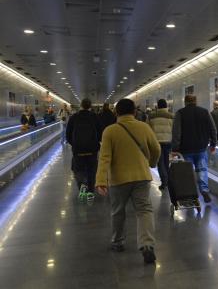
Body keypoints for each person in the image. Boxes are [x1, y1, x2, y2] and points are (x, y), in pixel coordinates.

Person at [95, 98, 160, 264]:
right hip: (142, 176)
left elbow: (104, 158)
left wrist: (101, 180)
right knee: (144, 210)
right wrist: (151, 163)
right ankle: (147, 245)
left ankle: (118, 242)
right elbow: (156, 149)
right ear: (135, 112)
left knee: (118, 211)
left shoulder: (109, 131)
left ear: (116, 113)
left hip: (119, 179)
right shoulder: (144, 127)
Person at [171, 95, 217, 203]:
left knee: (187, 172)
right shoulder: (204, 112)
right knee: (202, 170)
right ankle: (204, 190)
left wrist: (175, 148)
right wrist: (213, 143)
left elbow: (176, 132)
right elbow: (213, 128)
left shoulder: (180, 113)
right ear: (196, 101)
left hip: (185, 149)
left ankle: (190, 195)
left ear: (185, 102)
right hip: (201, 148)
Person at [66, 98, 102, 202]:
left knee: (78, 170)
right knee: (92, 170)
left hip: (78, 150)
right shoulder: (94, 117)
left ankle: (82, 185)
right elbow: (100, 132)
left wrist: (75, 144)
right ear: (90, 106)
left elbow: (68, 134)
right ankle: (91, 191)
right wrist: (96, 142)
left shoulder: (74, 117)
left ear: (81, 105)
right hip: (92, 150)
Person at [148, 99, 174, 190]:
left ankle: (164, 182)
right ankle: (168, 180)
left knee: (160, 163)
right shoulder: (171, 116)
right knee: (167, 162)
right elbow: (174, 130)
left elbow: (148, 130)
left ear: (157, 106)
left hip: (156, 142)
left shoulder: (151, 116)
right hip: (168, 142)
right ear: (166, 106)